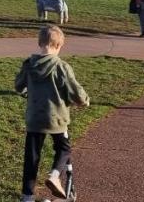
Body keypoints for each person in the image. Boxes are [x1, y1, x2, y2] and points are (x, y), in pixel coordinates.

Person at [15, 25, 90, 202]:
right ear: (59, 46)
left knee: (31, 157)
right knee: (64, 149)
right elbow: (75, 90)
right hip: (56, 118)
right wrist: (84, 100)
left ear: (40, 42)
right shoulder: (61, 67)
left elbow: (18, 85)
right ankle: (55, 175)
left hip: (34, 118)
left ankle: (27, 196)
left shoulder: (29, 64)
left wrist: (27, 90)